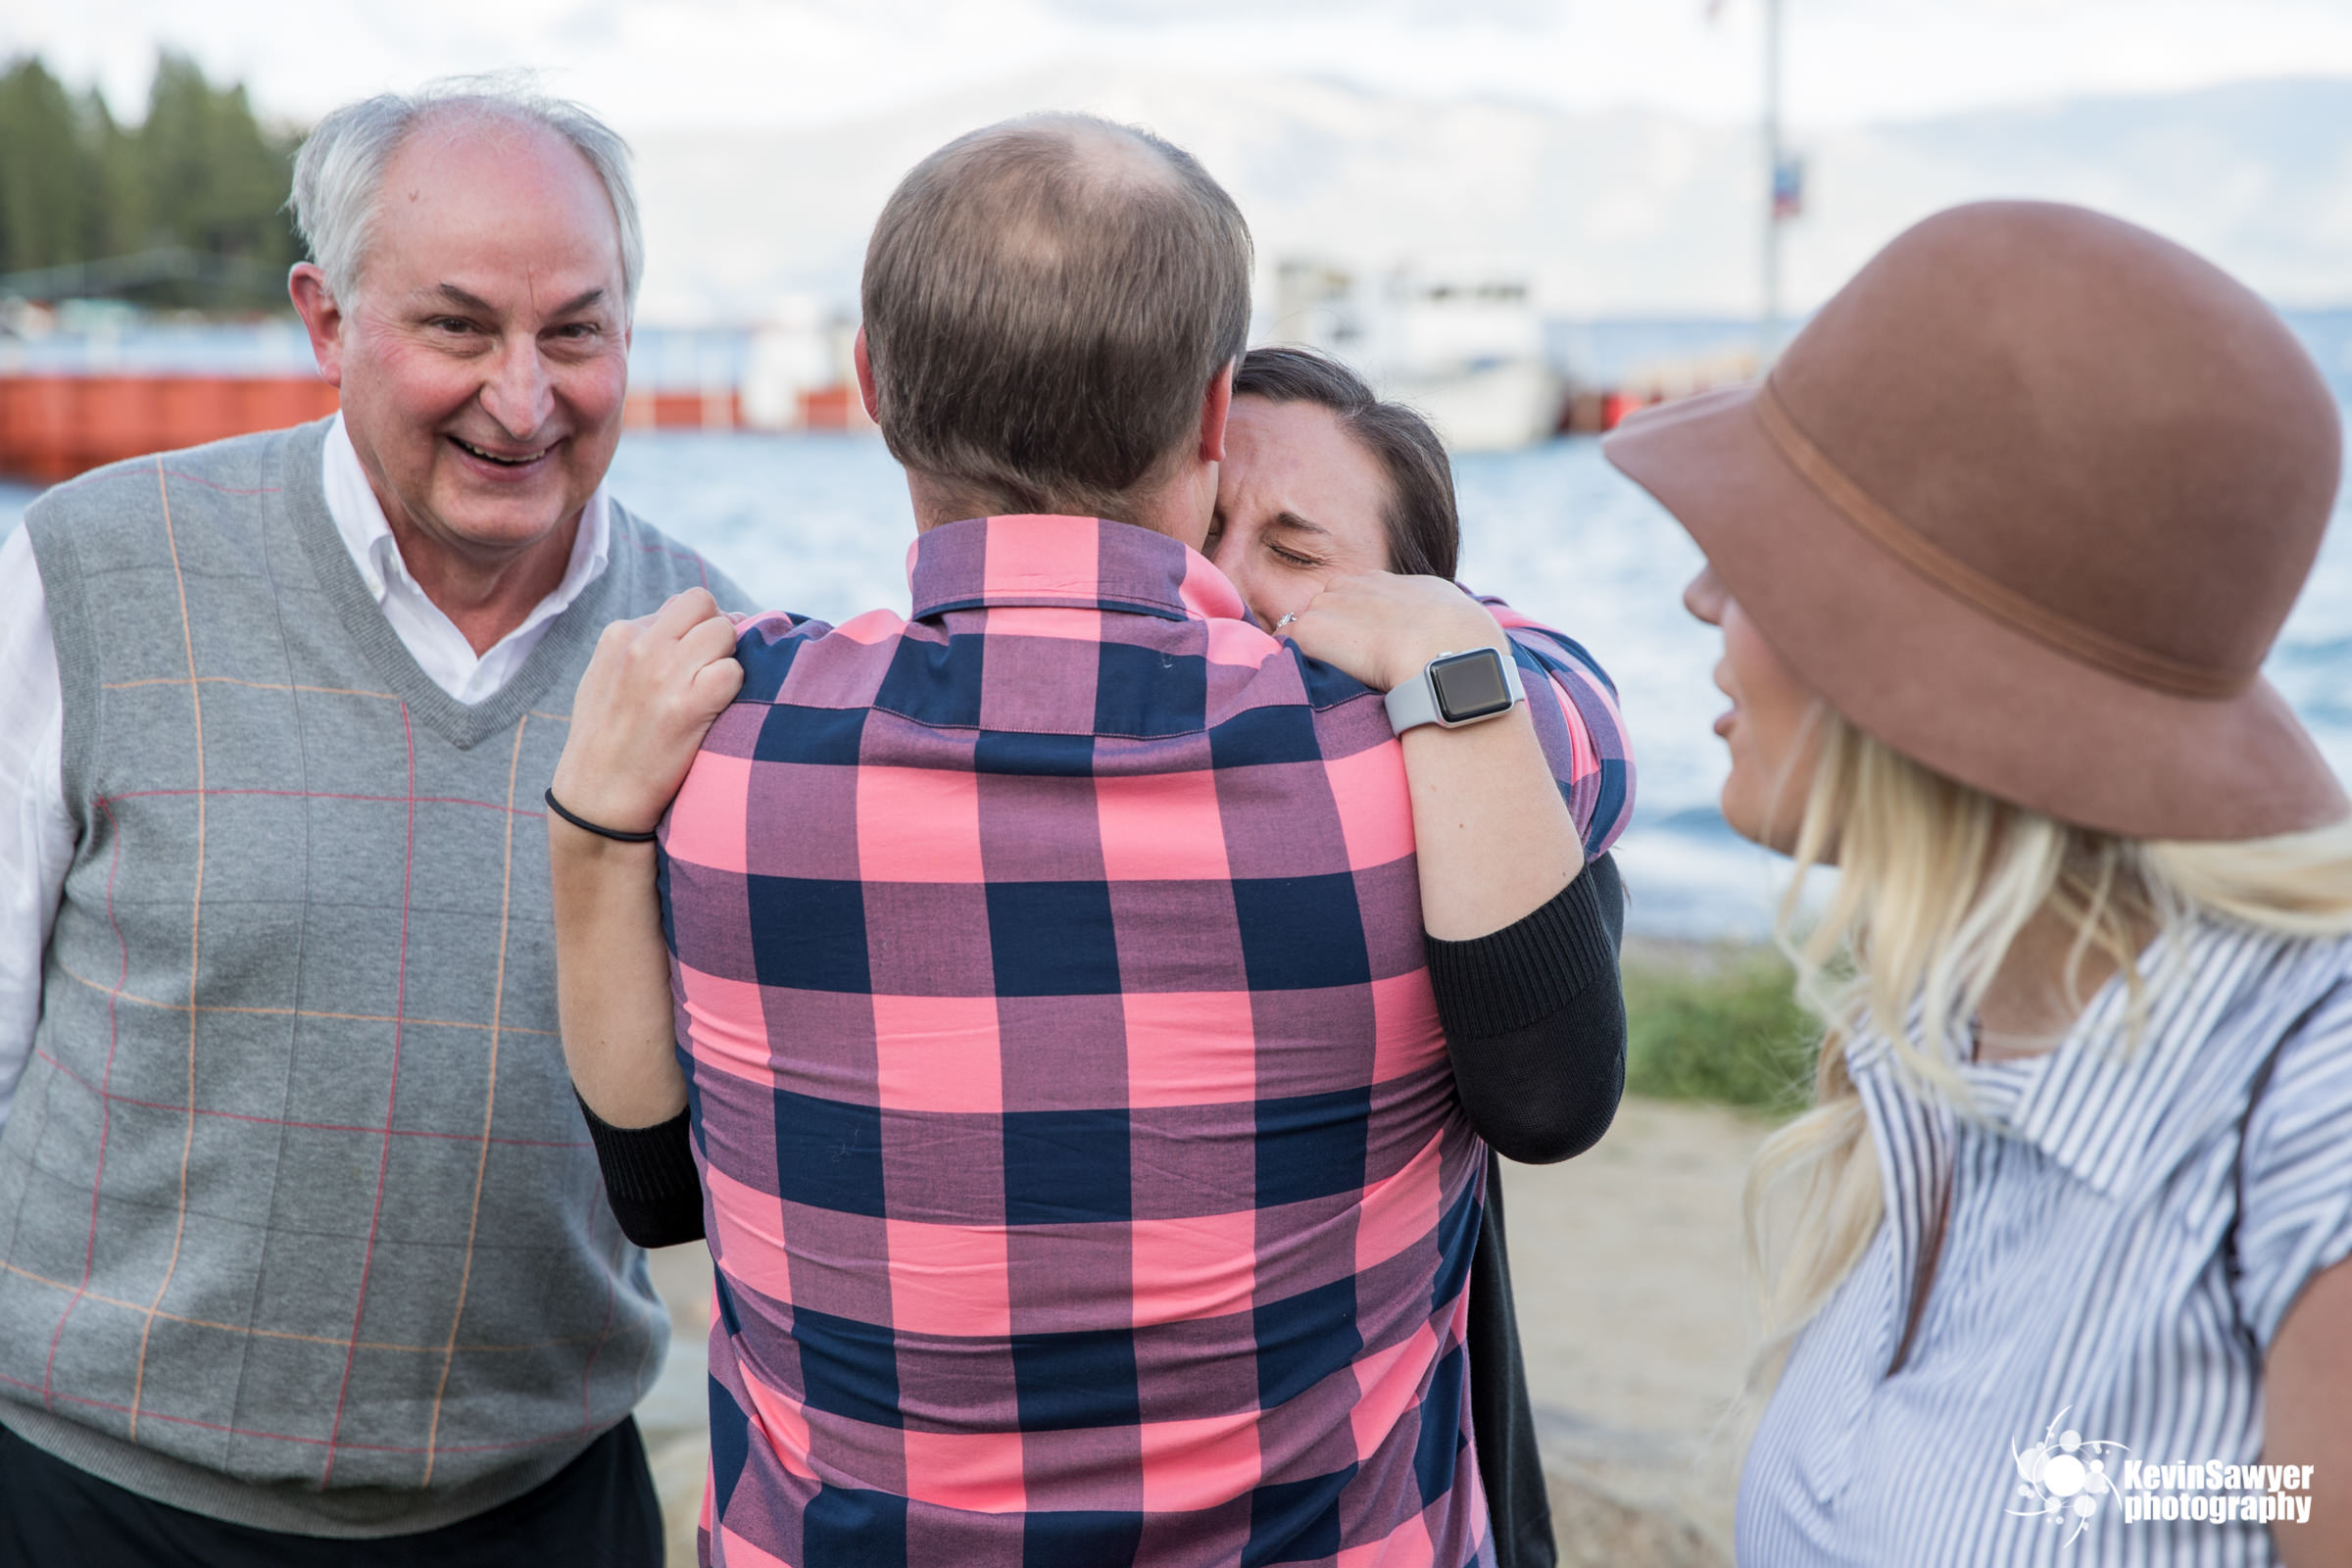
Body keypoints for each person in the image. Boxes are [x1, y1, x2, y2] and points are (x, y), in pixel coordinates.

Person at [550, 114, 1630, 1565]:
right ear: (1205, 415)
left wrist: (588, 828)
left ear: (870, 390)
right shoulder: (1425, 761)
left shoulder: (727, 756)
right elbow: (1584, 716)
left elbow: (656, 1187)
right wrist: (1441, 640)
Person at [0, 79, 744, 1565]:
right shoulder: (86, 570)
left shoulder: (710, 655)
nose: (523, 400)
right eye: (459, 328)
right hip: (92, 1505)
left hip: (544, 1510)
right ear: (327, 320)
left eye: (576, 333)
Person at [1603, 200, 2352, 1565]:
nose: (1705, 594)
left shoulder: (2308, 1096)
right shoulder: (1938, 1034)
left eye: (1767, 554)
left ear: (1911, 658)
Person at [1212, 344, 1633, 1568]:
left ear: (1414, 601)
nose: (1228, 585)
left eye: (1297, 554)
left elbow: (1552, 1102)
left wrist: (1461, 668)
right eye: (1199, 528)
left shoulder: (1474, 791)